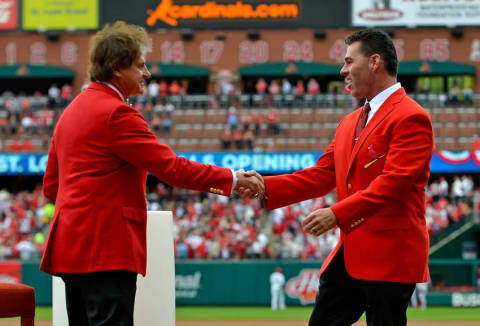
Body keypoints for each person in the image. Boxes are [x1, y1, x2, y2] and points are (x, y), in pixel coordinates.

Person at [40, 21, 264, 326]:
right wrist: (232, 179)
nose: (147, 73)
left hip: (71, 248)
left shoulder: (72, 110)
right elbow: (170, 168)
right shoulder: (117, 113)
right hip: (106, 249)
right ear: (118, 68)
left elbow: (51, 187)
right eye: (141, 65)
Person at [240, 29, 434, 325]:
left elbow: (393, 183)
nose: (342, 70)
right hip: (350, 253)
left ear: (374, 62)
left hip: (390, 255)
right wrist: (266, 185)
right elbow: (322, 175)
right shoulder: (350, 122)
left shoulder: (411, 116)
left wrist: (336, 214)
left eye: (348, 61)